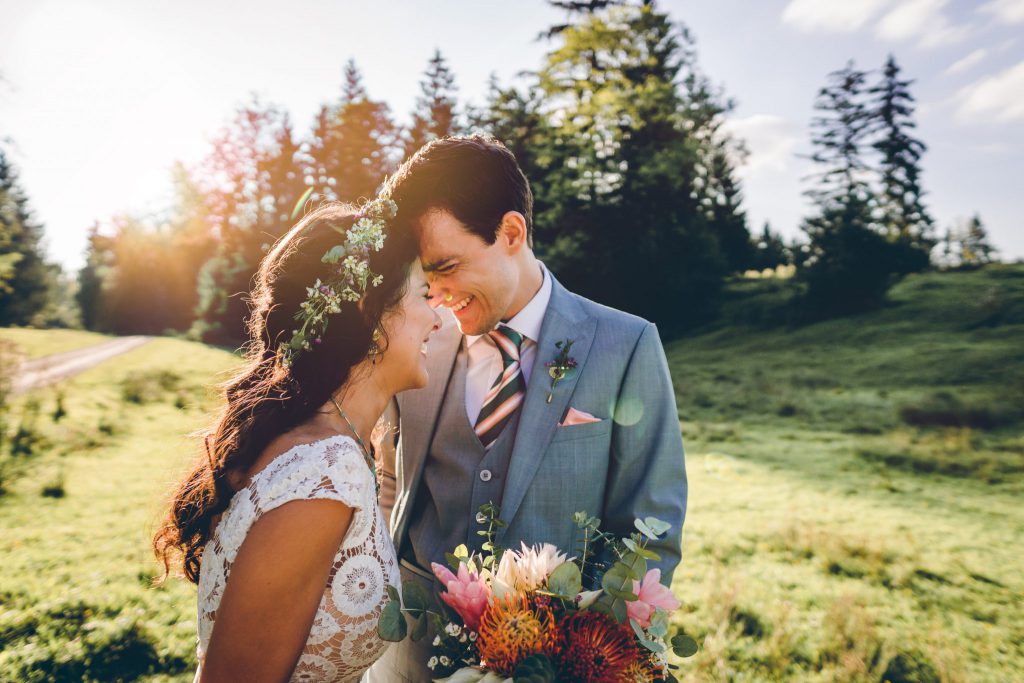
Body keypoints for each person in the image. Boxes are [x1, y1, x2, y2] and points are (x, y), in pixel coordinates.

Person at [366, 136, 687, 682]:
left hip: (554, 665)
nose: (438, 296)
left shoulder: (625, 344)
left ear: (511, 233)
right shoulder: (416, 339)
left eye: (448, 267)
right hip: (410, 661)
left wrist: (593, 657)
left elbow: (648, 526)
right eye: (427, 277)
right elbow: (391, 483)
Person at [153, 201, 441, 683]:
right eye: (424, 296)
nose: (437, 319)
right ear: (372, 316)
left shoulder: (331, 444)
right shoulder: (323, 474)